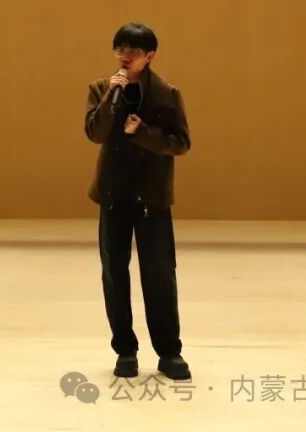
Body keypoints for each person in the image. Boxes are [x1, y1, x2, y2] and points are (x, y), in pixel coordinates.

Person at [83, 22, 192, 381]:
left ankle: (169, 352)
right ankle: (125, 350)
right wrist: (111, 97)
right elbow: (94, 133)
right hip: (113, 194)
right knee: (114, 273)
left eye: (133, 51)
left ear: (150, 56)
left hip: (152, 196)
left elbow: (181, 142)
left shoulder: (168, 94)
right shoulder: (101, 88)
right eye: (120, 49)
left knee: (160, 274)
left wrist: (142, 132)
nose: (125, 56)